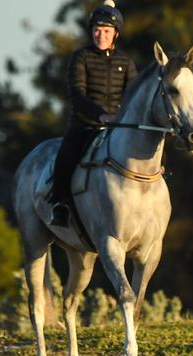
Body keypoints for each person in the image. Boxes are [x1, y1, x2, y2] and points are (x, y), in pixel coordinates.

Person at [49, 0, 137, 226]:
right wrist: (101, 116)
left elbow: (132, 96)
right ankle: (59, 203)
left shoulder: (126, 63)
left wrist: (121, 117)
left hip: (118, 127)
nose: (101, 35)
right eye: (97, 30)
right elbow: (77, 95)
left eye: (106, 31)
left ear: (116, 34)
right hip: (85, 124)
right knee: (66, 155)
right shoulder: (81, 57)